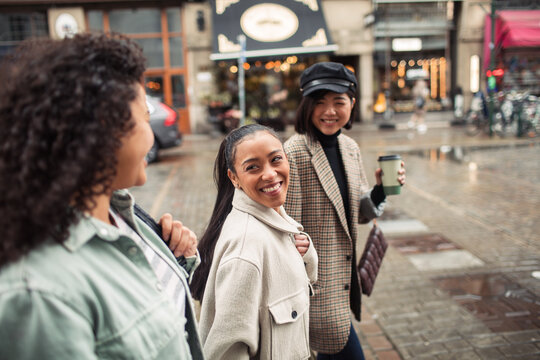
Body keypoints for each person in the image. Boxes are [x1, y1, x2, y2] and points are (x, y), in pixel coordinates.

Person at [0, 33, 203, 359]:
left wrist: (178, 259)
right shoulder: (38, 295)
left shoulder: (120, 212)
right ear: (104, 129)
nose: (151, 137)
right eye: (145, 119)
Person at [283, 62, 406, 359]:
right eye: (320, 102)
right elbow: (287, 229)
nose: (329, 111)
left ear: (351, 103)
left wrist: (380, 189)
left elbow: (360, 213)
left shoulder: (349, 147)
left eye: (338, 102)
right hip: (314, 290)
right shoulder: (294, 152)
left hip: (344, 286)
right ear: (306, 105)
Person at [190, 124, 318, 360]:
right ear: (234, 178)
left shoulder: (275, 214)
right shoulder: (246, 247)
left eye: (276, 159)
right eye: (252, 167)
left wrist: (305, 252)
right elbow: (226, 352)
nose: (269, 174)